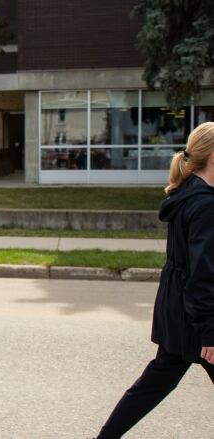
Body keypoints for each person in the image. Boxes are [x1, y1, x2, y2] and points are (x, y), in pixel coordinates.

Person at [96, 122, 214, 438]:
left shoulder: (190, 192)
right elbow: (202, 273)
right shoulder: (205, 204)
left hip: (177, 308)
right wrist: (210, 332)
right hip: (195, 314)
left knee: (155, 383)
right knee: (155, 382)